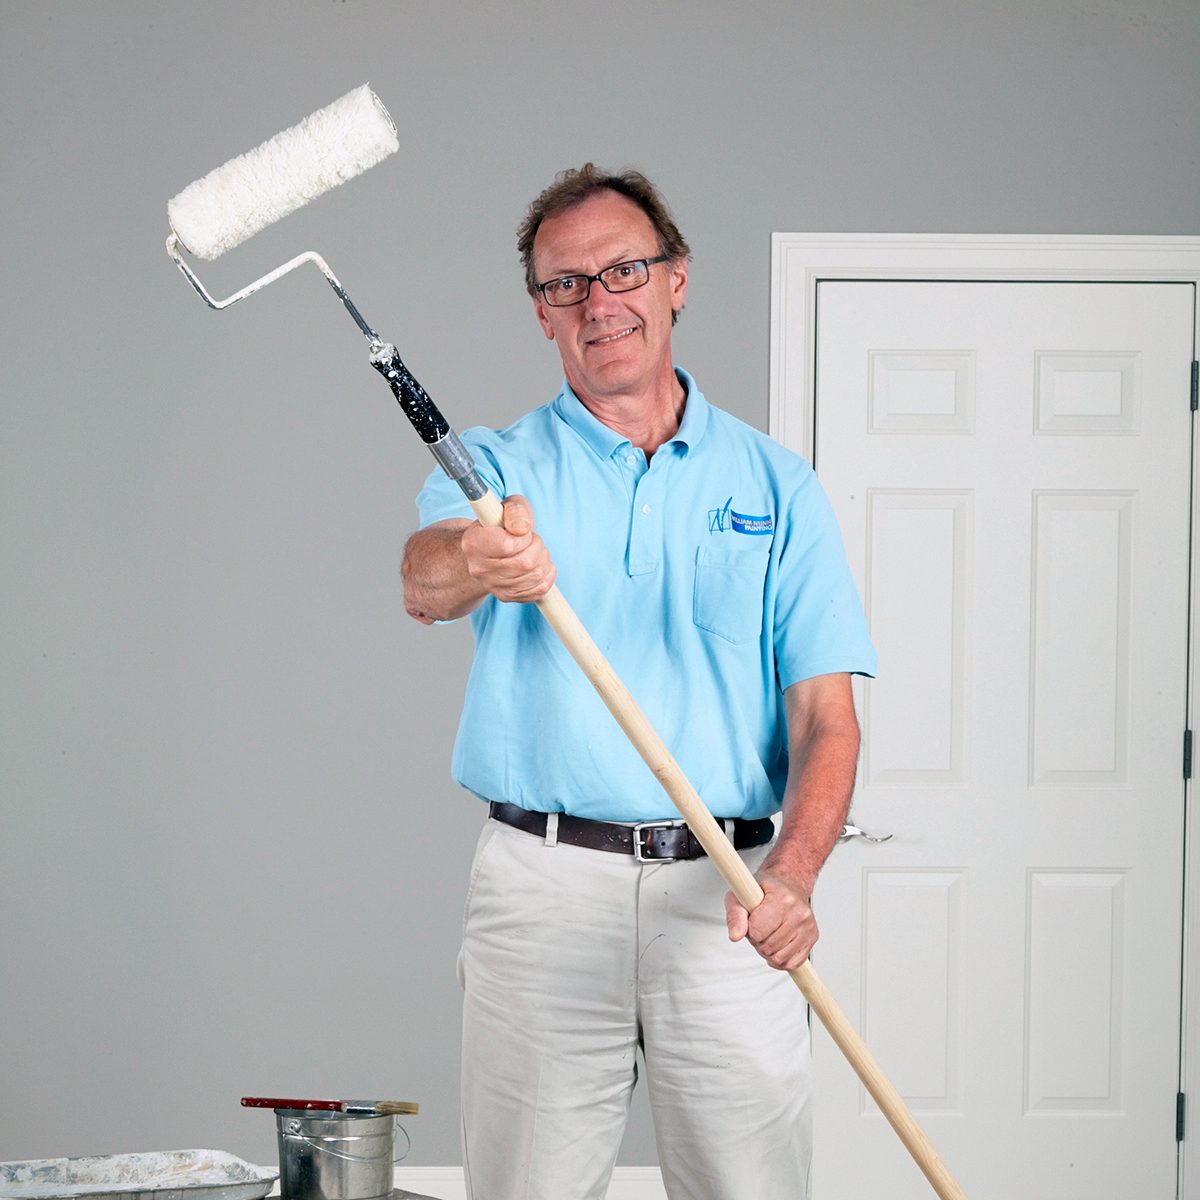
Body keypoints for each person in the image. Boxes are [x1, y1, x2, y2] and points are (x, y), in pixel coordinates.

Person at [402, 164, 876, 1200]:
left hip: (728, 891)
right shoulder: (493, 471)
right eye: (566, 284)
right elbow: (423, 577)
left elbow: (825, 722)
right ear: (541, 314)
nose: (598, 301)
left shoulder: (775, 486)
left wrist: (792, 875)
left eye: (623, 269)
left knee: (748, 1187)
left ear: (677, 281)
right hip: (541, 886)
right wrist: (479, 561)